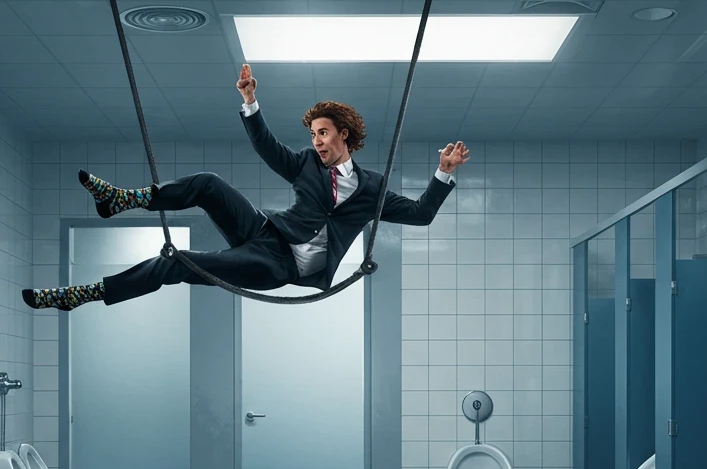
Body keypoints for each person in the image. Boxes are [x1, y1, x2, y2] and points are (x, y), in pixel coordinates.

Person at [23, 64, 471, 311]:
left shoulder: (372, 189)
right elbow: (266, 146)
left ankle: (84, 294)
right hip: (264, 231)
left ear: (344, 135)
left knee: (179, 263)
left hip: (277, 267)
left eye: (323, 133)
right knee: (209, 184)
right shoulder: (304, 166)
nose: (316, 141)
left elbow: (420, 214)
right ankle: (126, 200)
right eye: (313, 134)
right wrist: (250, 102)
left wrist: (444, 174)